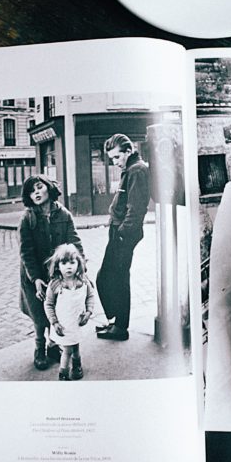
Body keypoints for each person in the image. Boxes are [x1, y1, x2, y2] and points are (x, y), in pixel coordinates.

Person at [18, 174, 84, 371]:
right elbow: (26, 252)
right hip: (34, 276)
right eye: (31, 190)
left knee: (58, 311)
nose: (35, 193)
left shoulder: (64, 215)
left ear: (49, 188)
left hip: (58, 274)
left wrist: (81, 268)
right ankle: (40, 349)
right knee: (39, 315)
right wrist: (36, 278)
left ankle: (53, 346)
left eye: (39, 187)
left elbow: (75, 243)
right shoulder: (27, 218)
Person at [96, 134, 150, 342]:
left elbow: (136, 209)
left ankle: (120, 327)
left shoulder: (137, 170)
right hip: (119, 230)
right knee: (111, 278)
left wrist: (122, 234)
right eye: (112, 159)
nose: (115, 162)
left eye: (117, 157)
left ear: (129, 151)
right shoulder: (131, 169)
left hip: (123, 233)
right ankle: (116, 322)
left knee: (113, 278)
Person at [44, 243, 95, 381]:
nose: (68, 266)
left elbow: (90, 296)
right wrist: (54, 322)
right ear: (57, 266)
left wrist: (89, 312)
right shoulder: (55, 285)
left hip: (77, 323)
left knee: (76, 346)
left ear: (78, 264)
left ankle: (77, 365)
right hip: (63, 325)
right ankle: (63, 373)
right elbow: (48, 304)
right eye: (64, 263)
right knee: (67, 350)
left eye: (72, 262)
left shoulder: (83, 281)